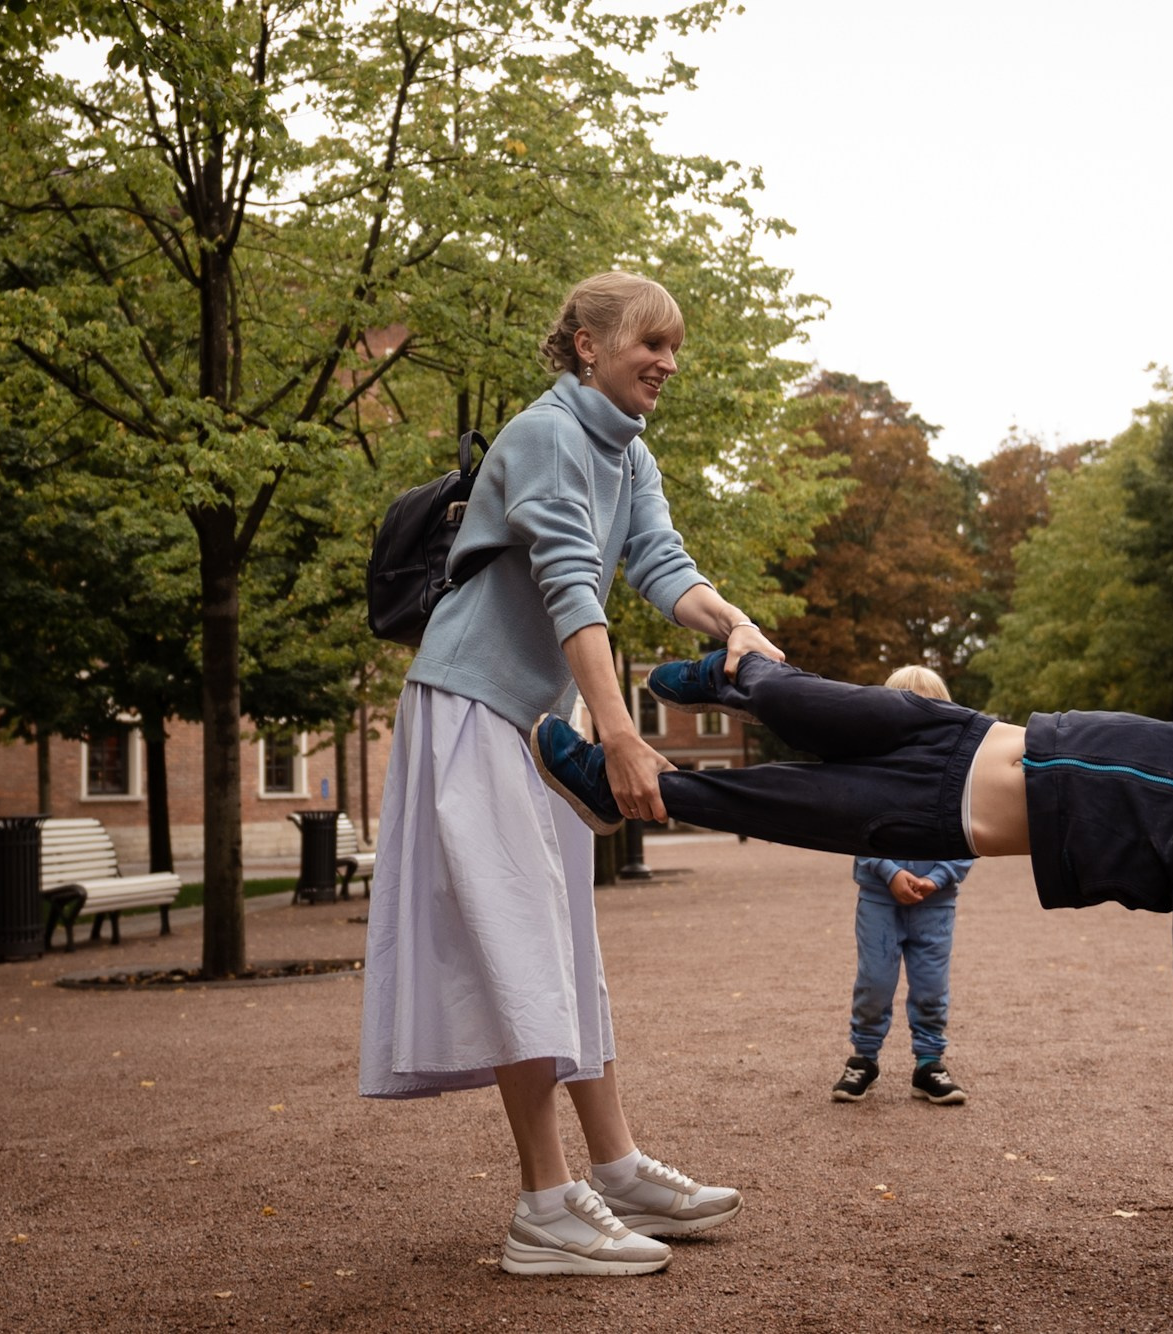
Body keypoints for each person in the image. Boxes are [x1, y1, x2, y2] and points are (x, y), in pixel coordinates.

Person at [531, 512, 1173, 1142]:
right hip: (953, 733)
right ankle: (737, 679)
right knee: (803, 699)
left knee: (779, 801)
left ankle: (633, 792)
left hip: (932, 817)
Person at [358, 271, 782, 1278]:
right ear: (588, 344)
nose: (668, 362)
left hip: (534, 719)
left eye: (675, 348)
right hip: (472, 707)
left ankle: (617, 1163)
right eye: (651, 342)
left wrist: (731, 621)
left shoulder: (627, 451)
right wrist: (625, 733)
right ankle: (546, 1204)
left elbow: (660, 563)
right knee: (520, 943)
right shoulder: (546, 433)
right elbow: (565, 582)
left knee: (566, 944)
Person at [832, 665, 976, 1108]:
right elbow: (856, 828)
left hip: (936, 903)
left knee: (931, 985)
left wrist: (937, 878)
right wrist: (890, 871)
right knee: (875, 981)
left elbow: (971, 833)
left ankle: (930, 1062)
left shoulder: (958, 774)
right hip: (880, 897)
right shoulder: (871, 770)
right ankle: (864, 1058)